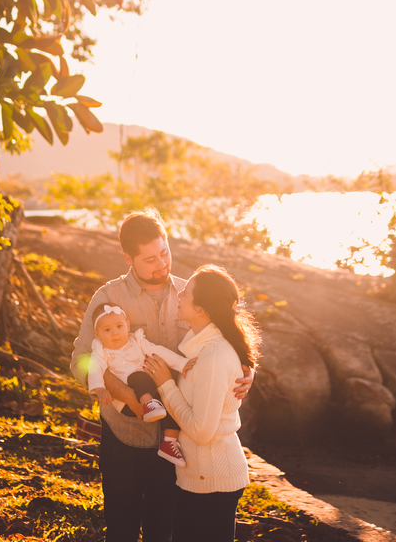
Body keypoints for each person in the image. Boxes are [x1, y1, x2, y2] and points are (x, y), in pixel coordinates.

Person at [70, 209, 254, 542]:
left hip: (176, 444)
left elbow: (225, 336)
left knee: (163, 532)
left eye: (165, 252)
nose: (162, 264)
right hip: (124, 436)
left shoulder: (190, 295)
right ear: (128, 258)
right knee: (122, 531)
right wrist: (129, 398)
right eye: (150, 259)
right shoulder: (108, 298)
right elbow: (81, 360)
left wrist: (247, 368)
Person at [142, 265, 261, 542]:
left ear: (201, 310)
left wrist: (164, 383)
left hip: (214, 478)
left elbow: (201, 430)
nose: (180, 293)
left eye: (187, 291)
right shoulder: (200, 345)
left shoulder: (214, 355)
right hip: (200, 476)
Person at [87, 301, 189, 466]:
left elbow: (159, 351)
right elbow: (94, 368)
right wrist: (99, 388)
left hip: (152, 392)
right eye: (107, 330)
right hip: (129, 403)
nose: (115, 333)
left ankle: (169, 442)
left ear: (127, 326)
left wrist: (182, 364)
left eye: (119, 326)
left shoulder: (137, 341)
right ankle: (148, 404)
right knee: (140, 376)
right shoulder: (101, 350)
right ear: (97, 334)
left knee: (172, 401)